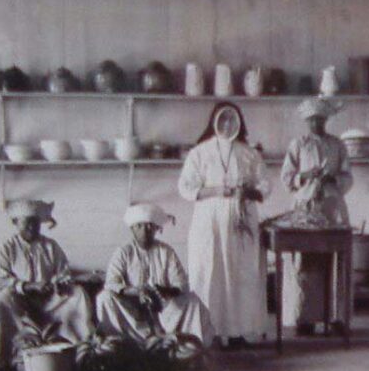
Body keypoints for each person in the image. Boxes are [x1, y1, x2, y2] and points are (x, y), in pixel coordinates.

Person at [178, 102, 269, 347]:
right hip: (210, 221)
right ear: (214, 122)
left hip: (241, 218)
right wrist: (218, 189)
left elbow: (265, 185)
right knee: (210, 272)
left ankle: (239, 331)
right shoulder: (200, 152)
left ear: (239, 123)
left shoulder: (249, 153)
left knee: (241, 274)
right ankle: (211, 333)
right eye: (223, 120)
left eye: (232, 120)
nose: (228, 125)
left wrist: (247, 191)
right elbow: (185, 187)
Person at [0, 200, 94, 371]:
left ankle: (82, 352)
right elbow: (1, 280)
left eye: (35, 222)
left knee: (78, 294)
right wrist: (28, 286)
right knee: (2, 297)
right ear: (15, 223)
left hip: (49, 301)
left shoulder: (51, 246)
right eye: (26, 222)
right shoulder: (6, 248)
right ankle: (4, 360)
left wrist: (60, 283)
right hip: (21, 304)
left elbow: (64, 272)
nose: (31, 226)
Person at [279, 97, 353, 334]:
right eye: (312, 120)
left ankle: (336, 318)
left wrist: (333, 179)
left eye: (320, 119)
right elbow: (286, 179)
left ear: (326, 120)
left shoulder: (338, 145)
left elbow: (348, 176)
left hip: (332, 206)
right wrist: (305, 175)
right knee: (304, 261)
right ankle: (305, 318)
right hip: (306, 206)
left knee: (336, 260)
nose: (316, 124)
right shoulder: (298, 144)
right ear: (306, 121)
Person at [96, 203, 214, 344]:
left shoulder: (166, 251)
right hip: (131, 307)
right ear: (132, 229)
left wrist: (165, 291)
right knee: (104, 298)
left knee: (192, 300)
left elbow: (181, 282)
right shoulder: (123, 252)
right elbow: (111, 282)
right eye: (139, 226)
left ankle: (187, 343)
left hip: (163, 306)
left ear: (156, 229)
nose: (145, 231)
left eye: (150, 226)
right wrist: (135, 291)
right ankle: (121, 343)